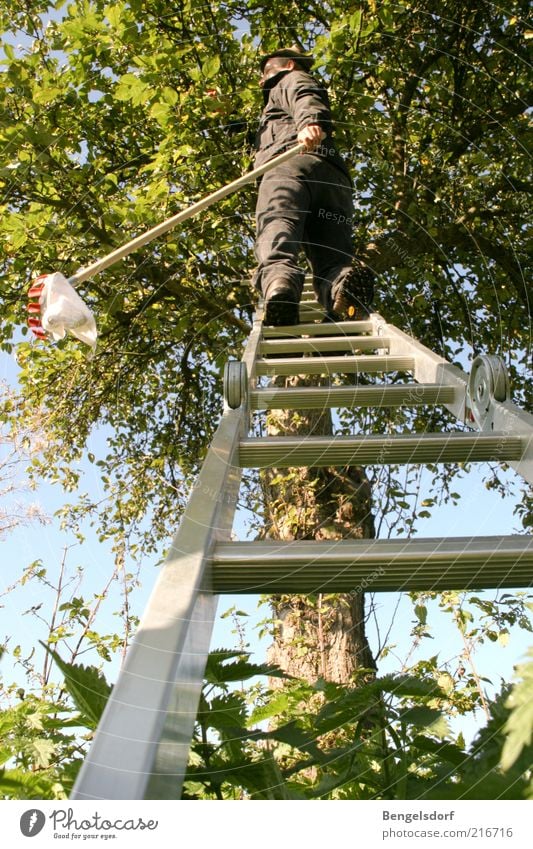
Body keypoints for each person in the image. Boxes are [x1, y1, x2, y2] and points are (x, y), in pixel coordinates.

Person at [253, 46, 375, 326]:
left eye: (266, 71)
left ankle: (279, 285)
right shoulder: (271, 109)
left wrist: (310, 123)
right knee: (332, 255)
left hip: (288, 166)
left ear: (289, 64)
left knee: (277, 222)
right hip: (331, 179)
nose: (262, 79)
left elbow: (304, 95)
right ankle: (341, 290)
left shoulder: (289, 80)